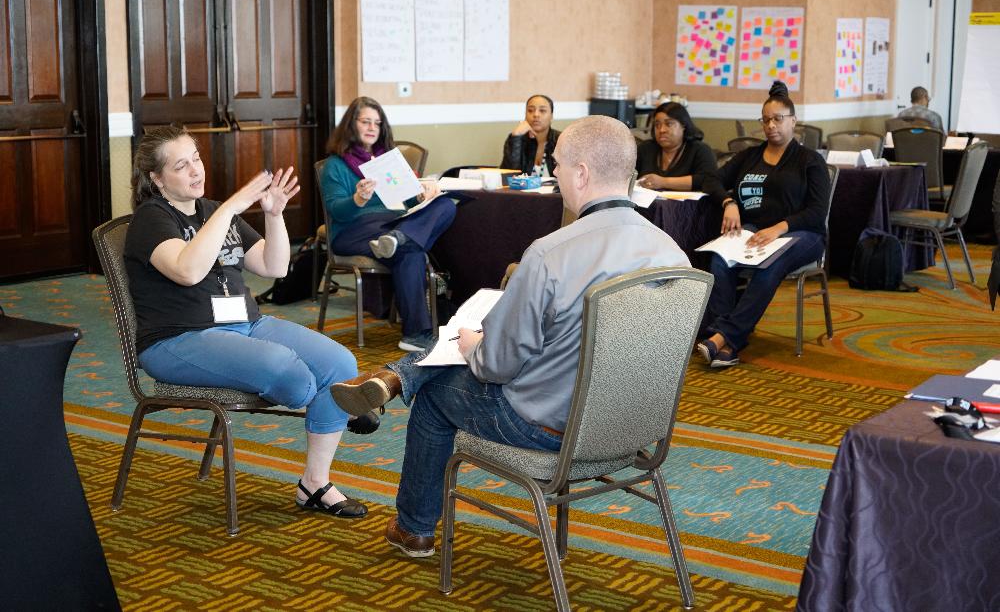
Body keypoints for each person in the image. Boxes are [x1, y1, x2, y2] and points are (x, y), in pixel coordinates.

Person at [329, 115, 690, 558]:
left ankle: (414, 527)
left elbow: (496, 366)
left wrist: (473, 348)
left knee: (438, 391)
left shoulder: (551, 253)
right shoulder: (673, 253)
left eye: (558, 165)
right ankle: (396, 376)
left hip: (552, 430)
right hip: (636, 427)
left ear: (581, 173)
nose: (555, 173)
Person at [124, 125, 368, 518]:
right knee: (291, 372)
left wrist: (274, 215)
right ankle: (341, 406)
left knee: (341, 364)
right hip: (179, 339)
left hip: (245, 325)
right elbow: (188, 271)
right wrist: (229, 209)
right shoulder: (151, 219)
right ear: (157, 179)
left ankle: (314, 483)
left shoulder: (213, 210)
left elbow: (275, 266)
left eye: (196, 159)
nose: (196, 170)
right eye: (181, 165)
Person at [697, 81, 831, 368]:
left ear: (793, 121)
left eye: (778, 119)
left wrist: (779, 228)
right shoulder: (750, 156)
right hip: (756, 230)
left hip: (803, 234)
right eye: (766, 120)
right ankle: (727, 343)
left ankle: (723, 337)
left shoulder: (810, 160)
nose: (771, 125)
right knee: (721, 258)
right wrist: (729, 202)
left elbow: (817, 212)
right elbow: (712, 179)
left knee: (769, 264)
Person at [321, 97, 457, 352]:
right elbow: (336, 211)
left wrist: (421, 195)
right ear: (351, 124)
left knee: (446, 205)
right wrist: (357, 199)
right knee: (411, 250)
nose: (372, 128)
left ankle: (399, 239)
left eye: (377, 123)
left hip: (393, 225)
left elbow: (408, 198)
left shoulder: (387, 161)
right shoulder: (335, 165)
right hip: (354, 230)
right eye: (366, 122)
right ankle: (415, 333)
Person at [635, 101, 716, 191]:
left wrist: (663, 182)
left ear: (683, 125)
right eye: (657, 125)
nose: (662, 130)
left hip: (688, 200)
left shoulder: (699, 149)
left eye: (669, 124)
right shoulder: (645, 148)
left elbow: (708, 180)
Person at [500, 94, 560, 176]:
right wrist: (516, 137)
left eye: (542, 111)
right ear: (525, 115)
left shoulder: (560, 139)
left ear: (551, 116)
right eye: (530, 110)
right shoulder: (517, 139)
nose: (536, 115)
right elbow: (508, 174)